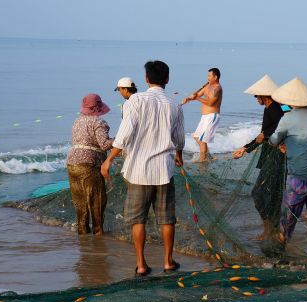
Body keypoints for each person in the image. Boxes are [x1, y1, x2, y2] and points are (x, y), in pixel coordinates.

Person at [101, 60, 185, 277]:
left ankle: (141, 264)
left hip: (138, 170)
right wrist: (178, 156)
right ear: (167, 79)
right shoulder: (174, 105)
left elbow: (125, 133)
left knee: (138, 219)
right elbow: (179, 139)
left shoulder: (135, 100)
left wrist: (109, 159)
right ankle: (168, 261)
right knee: (167, 218)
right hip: (164, 171)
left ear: (146, 79)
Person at [269, 77, 307, 245]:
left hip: (302, 170)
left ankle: (283, 237)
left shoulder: (288, 118)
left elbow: (274, 140)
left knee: (290, 206)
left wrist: (281, 142)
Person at [232, 75, 285, 240]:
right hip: (270, 154)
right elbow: (263, 135)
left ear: (265, 95)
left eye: (257, 96)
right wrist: (245, 149)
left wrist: (265, 135)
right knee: (271, 193)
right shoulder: (270, 108)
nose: (256, 99)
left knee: (260, 193)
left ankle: (271, 229)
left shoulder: (276, 108)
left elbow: (282, 128)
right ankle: (271, 229)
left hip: (276, 155)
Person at [66, 94, 113, 236]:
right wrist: (120, 141)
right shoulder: (98, 122)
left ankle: (83, 236)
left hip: (72, 163)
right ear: (97, 107)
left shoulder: (77, 121)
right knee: (96, 202)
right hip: (89, 164)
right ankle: (98, 235)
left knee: (80, 204)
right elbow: (104, 144)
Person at [182, 68, 223, 162]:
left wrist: (196, 98)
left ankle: (203, 163)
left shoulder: (217, 88)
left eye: (209, 76)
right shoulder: (208, 86)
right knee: (196, 137)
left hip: (212, 116)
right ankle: (208, 156)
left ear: (215, 77)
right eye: (207, 75)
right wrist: (188, 99)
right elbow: (198, 94)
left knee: (202, 141)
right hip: (205, 117)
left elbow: (210, 103)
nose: (207, 77)